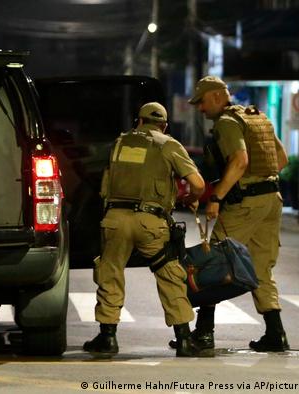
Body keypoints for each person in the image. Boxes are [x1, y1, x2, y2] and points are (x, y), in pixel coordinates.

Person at [83, 102, 213, 358]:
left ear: (138, 121)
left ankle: (107, 337)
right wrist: (187, 198)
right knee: (169, 274)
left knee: (110, 272)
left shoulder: (120, 143)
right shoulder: (168, 144)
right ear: (163, 125)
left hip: (116, 219)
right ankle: (184, 339)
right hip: (151, 222)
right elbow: (198, 184)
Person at [187, 76, 289, 352]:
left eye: (202, 101)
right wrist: (259, 182)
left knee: (215, 259)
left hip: (245, 203)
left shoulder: (227, 123)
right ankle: (276, 333)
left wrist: (218, 196)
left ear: (218, 97)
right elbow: (281, 160)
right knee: (260, 266)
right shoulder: (258, 118)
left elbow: (240, 160)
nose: (200, 108)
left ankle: (204, 333)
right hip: (272, 199)